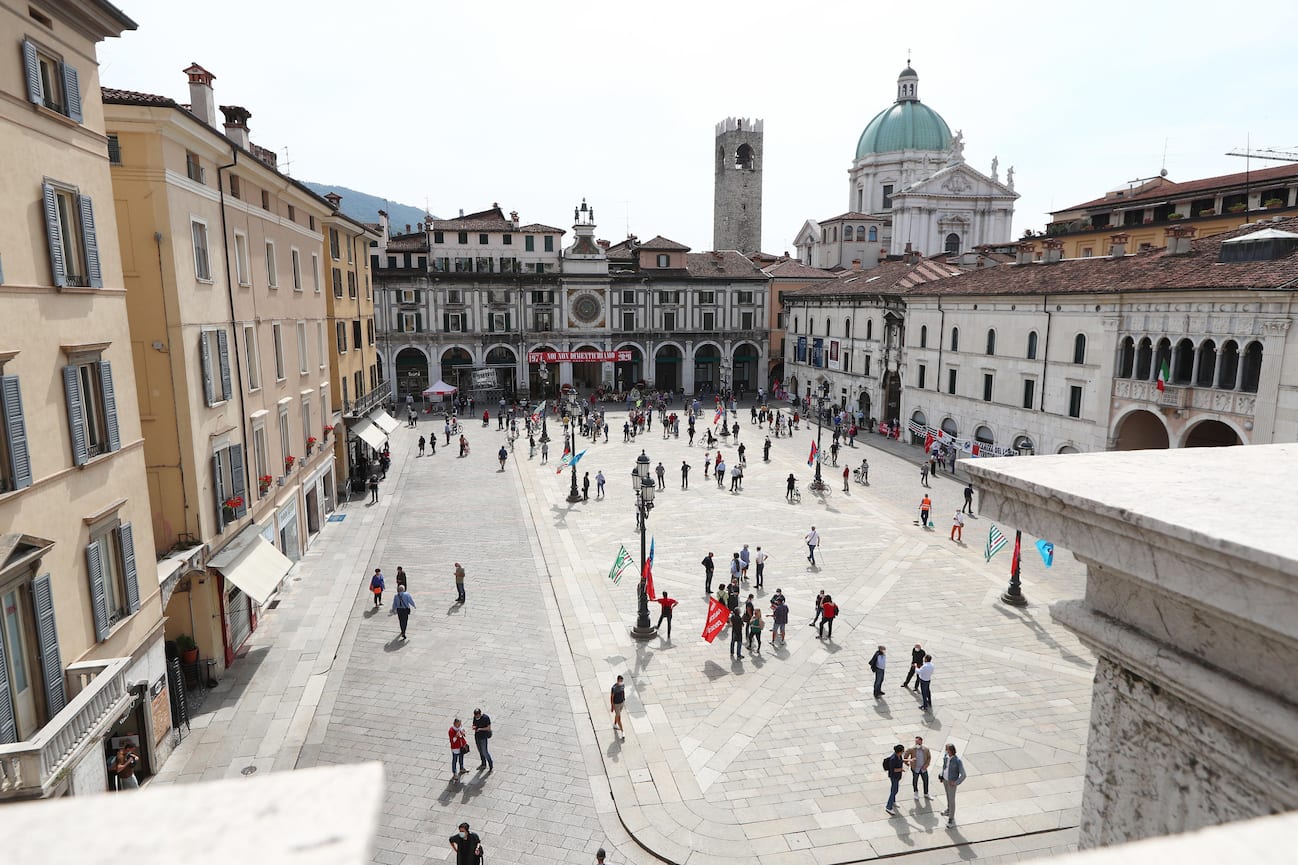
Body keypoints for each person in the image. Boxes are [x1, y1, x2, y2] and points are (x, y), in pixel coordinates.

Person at [940, 744, 967, 827]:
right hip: (945, 780)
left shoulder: (957, 761)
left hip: (952, 783)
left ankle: (951, 819)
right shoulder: (946, 757)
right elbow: (944, 767)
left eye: (946, 749)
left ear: (951, 750)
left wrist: (956, 783)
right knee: (948, 797)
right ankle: (948, 810)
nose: (945, 751)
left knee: (952, 800)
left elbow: (963, 775)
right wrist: (941, 775)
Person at [905, 736, 932, 800]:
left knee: (926, 780)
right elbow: (905, 756)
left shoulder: (926, 749)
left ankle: (926, 793)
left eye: (918, 743)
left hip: (923, 768)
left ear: (921, 741)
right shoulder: (911, 749)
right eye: (916, 742)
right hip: (915, 768)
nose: (917, 744)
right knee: (915, 780)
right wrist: (908, 763)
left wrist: (926, 765)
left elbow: (929, 757)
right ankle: (916, 792)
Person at [885, 744, 906, 815]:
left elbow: (901, 760)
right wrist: (901, 769)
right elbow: (892, 770)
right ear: (899, 752)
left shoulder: (899, 756)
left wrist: (909, 760)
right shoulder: (893, 759)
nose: (903, 752)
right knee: (894, 790)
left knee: (893, 789)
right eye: (903, 751)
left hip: (898, 776)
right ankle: (888, 807)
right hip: (894, 776)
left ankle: (893, 801)